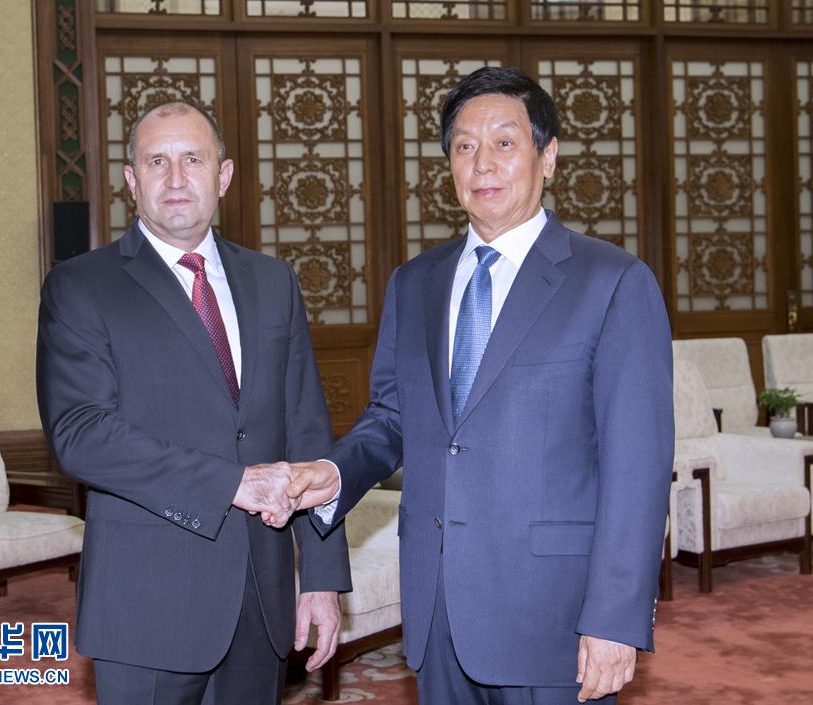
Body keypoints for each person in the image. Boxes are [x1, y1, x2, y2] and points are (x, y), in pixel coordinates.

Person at [285, 67, 674, 704]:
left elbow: (638, 466)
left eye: (504, 142)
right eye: (464, 146)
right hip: (438, 611)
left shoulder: (613, 282)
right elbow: (393, 418)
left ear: (548, 156)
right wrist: (333, 473)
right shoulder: (415, 283)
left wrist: (614, 618)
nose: (482, 162)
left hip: (554, 620)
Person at [36, 99, 351, 705]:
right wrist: (232, 483)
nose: (176, 178)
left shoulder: (273, 281)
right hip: (148, 599)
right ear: (132, 181)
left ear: (223, 175)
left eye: (193, 159)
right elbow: (81, 434)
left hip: (262, 599)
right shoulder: (81, 286)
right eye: (156, 161)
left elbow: (308, 434)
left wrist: (321, 576)